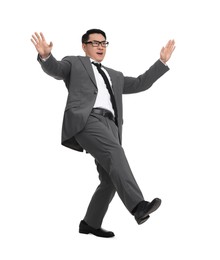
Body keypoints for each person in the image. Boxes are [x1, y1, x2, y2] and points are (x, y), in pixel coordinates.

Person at [31, 29, 175, 238]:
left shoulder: (114, 75)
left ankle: (90, 223)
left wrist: (161, 63)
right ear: (84, 46)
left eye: (104, 43)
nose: (100, 47)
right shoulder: (75, 63)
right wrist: (45, 56)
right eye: (95, 43)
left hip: (111, 126)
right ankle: (138, 206)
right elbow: (56, 69)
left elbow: (141, 83)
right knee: (115, 153)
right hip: (86, 119)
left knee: (109, 180)